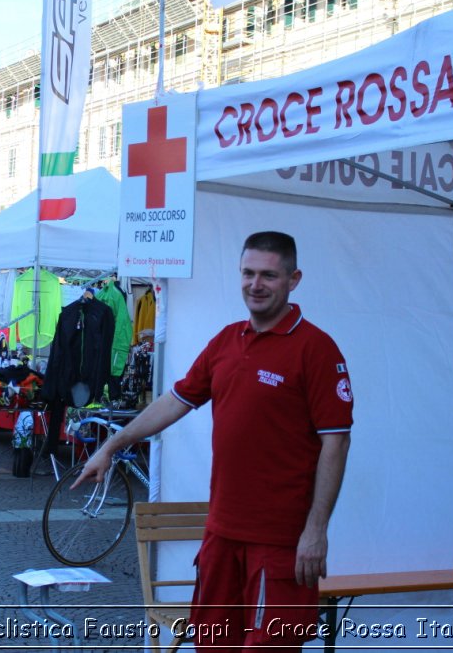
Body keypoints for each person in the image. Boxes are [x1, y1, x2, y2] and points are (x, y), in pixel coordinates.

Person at [75, 231, 354, 652]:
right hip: (222, 535)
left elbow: (336, 442)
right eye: (247, 273)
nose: (255, 284)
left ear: (293, 279)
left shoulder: (315, 349)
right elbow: (174, 401)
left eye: (268, 275)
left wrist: (317, 529)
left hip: (281, 542)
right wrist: (111, 445)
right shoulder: (227, 340)